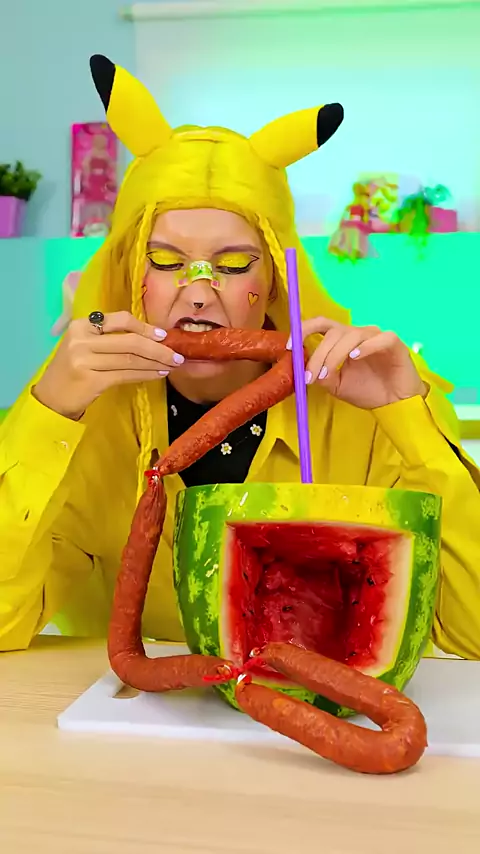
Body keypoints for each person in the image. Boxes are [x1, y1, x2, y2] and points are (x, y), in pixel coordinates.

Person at [1, 55, 479, 658]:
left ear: (276, 278)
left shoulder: (366, 412)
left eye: (232, 265)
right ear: (127, 273)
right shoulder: (87, 422)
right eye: (166, 261)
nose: (199, 293)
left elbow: (471, 631)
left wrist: (410, 420)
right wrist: (46, 412)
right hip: (130, 714)